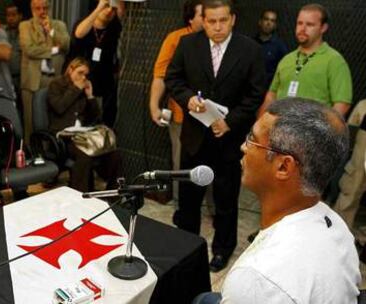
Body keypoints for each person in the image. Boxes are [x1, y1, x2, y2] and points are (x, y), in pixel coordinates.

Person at [194, 98, 361, 303]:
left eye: (252, 139)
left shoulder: (257, 278)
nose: (243, 147)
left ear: (283, 167)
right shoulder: (337, 226)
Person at [165, 0, 266, 272]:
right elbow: (173, 80)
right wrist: (187, 101)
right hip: (194, 138)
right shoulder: (188, 45)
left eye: (223, 20)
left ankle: (222, 249)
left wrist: (230, 122)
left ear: (232, 18)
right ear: (203, 20)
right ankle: (185, 246)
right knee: (188, 200)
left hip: (229, 142)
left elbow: (255, 95)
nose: (217, 27)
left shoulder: (251, 50)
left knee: (225, 200)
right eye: (211, 21)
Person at [149, 0, 204, 223]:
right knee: (181, 162)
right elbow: (161, 75)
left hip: (211, 118)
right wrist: (154, 105)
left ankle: (209, 209)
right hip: (182, 117)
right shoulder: (175, 39)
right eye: (204, 15)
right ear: (191, 18)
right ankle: (184, 210)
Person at [258, 3, 352, 117]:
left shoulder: (334, 61)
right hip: (278, 130)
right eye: (299, 23)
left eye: (310, 24)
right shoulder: (287, 59)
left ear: (323, 28)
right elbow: (271, 96)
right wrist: (258, 126)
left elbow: (342, 104)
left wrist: (321, 132)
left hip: (312, 133)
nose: (302, 29)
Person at [47, 57, 121, 192]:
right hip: (64, 134)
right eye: (80, 73)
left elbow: (96, 118)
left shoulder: (83, 88)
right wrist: (75, 88)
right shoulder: (56, 85)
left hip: (83, 133)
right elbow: (59, 107)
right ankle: (81, 193)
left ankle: (113, 192)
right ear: (70, 70)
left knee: (113, 153)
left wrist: (90, 96)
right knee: (85, 155)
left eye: (85, 74)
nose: (83, 77)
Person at [67, 0, 125, 127]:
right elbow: (79, 34)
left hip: (104, 81)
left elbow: (121, 12)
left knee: (105, 118)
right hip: (82, 79)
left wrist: (117, 5)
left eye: (112, 8)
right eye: (106, 6)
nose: (109, 10)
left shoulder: (114, 27)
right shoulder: (85, 23)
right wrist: (99, 8)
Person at [19, 0, 70, 143]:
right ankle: (30, 152)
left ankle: (49, 151)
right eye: (38, 8)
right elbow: (29, 49)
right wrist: (54, 50)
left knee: (50, 118)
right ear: (32, 9)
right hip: (32, 79)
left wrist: (51, 32)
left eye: (45, 8)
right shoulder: (25, 26)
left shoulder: (59, 25)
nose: (42, 11)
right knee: (30, 121)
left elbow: (66, 46)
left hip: (53, 78)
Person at [334, 100, 366, 234]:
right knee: (352, 188)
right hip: (360, 154)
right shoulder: (363, 105)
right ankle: (337, 231)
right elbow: (350, 133)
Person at [254, 9, 288, 89]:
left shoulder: (280, 47)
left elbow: (284, 72)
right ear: (260, 22)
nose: (268, 23)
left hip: (269, 90)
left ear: (275, 25)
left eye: (272, 21)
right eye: (266, 19)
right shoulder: (251, 43)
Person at [4, 3, 23, 104]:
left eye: (13, 15)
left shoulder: (26, 32)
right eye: (8, 15)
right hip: (5, 77)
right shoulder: (1, 33)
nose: (10, 18)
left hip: (22, 78)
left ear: (20, 16)